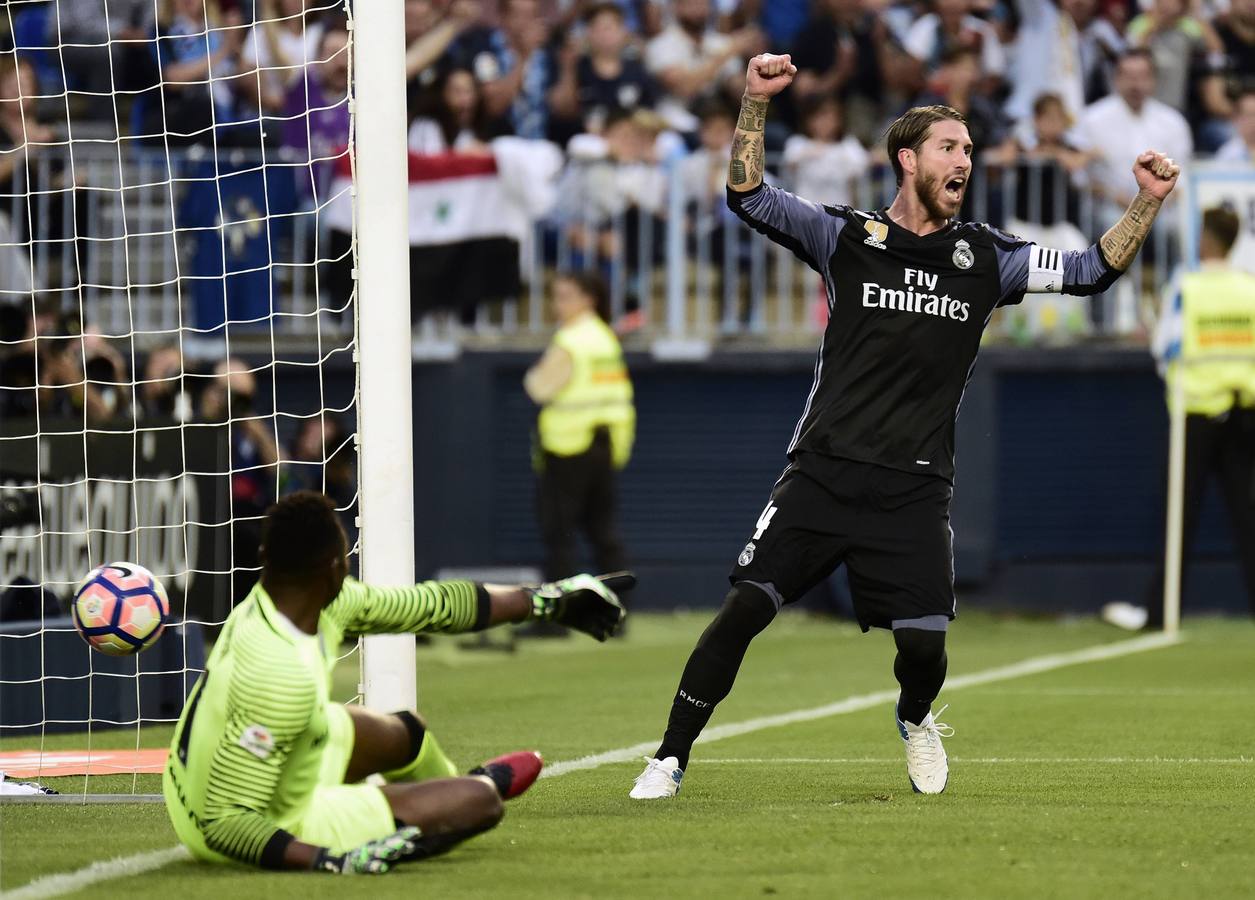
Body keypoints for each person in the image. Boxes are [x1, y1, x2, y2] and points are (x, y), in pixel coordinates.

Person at [628, 51, 1180, 800]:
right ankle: (669, 757)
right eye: (949, 147)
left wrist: (1145, 200)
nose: (964, 161)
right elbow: (748, 195)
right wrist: (754, 101)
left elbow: (1089, 270)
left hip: (913, 488)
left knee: (922, 648)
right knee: (743, 611)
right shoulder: (844, 236)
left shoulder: (987, 258)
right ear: (907, 159)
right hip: (823, 471)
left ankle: (915, 718)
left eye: (969, 150)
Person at [163, 490, 629, 873]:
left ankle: (433, 794)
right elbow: (223, 822)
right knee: (481, 803)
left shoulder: (293, 602)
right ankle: (457, 795)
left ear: (266, 557)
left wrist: (548, 601)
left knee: (408, 733)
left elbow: (430, 606)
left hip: (211, 768)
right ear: (335, 567)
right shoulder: (279, 674)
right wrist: (328, 860)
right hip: (245, 820)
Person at [1101, 208, 1255, 633]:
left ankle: (1161, 613)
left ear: (1205, 238)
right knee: (1247, 517)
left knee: (1179, 518)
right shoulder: (1249, 288)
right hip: (1244, 413)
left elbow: (1164, 347)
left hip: (1197, 413)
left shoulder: (1188, 287)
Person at [525, 272, 634, 591]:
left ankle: (559, 609)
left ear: (589, 300)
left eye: (565, 297)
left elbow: (538, 387)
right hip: (606, 442)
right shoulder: (605, 337)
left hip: (568, 445)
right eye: (555, 296)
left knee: (559, 533)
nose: (556, 305)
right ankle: (620, 604)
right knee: (604, 532)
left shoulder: (571, 341)